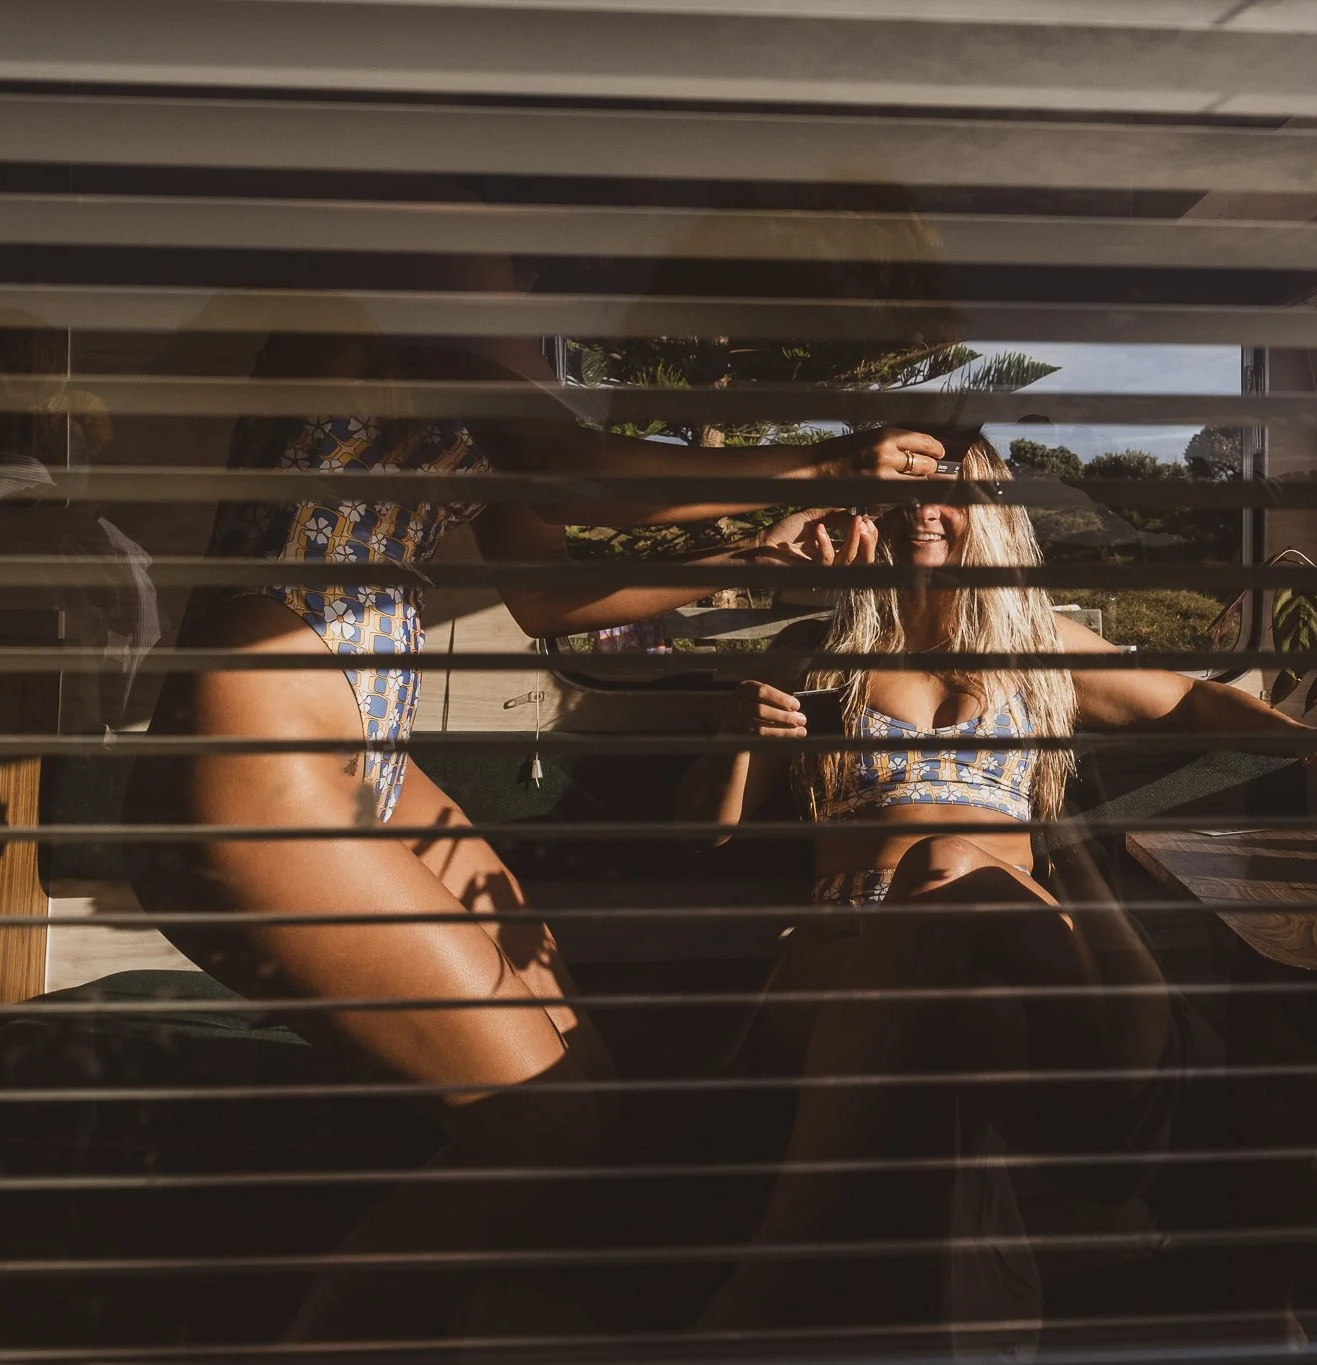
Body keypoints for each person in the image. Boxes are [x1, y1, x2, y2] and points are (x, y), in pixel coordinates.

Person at [120, 281, 954, 1335]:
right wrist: (827, 464)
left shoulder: (521, 335)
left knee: (584, 1083)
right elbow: (573, 475)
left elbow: (544, 598)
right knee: (542, 1129)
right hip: (260, 746)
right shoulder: (400, 283)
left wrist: (759, 554)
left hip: (362, 745)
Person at [676, 432, 1317, 1330]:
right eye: (900, 497)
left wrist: (1306, 739)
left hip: (1027, 937)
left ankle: (773, 1271)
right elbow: (706, 830)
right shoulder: (813, 653)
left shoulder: (1039, 647)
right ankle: (1015, 1280)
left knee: (951, 869)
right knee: (975, 1017)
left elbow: (1190, 699)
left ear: (991, 517)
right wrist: (738, 743)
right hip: (846, 950)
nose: (922, 515)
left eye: (948, 495)